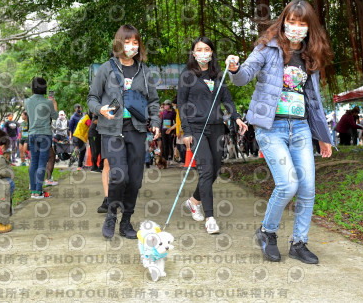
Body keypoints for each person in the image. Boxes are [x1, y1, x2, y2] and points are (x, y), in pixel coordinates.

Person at [226, 0, 333, 264]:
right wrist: (234, 68)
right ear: (284, 21)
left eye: (302, 23)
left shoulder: (310, 56)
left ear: (309, 27)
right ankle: (267, 232)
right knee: (288, 184)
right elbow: (244, 76)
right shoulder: (267, 47)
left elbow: (314, 100)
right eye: (291, 21)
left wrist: (323, 137)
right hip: (271, 128)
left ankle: (299, 243)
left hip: (300, 128)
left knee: (307, 188)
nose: (296, 27)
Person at [87, 24, 161, 239]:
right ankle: (111, 214)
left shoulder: (144, 71)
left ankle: (126, 221)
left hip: (137, 130)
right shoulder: (106, 69)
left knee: (135, 180)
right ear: (119, 43)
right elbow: (92, 98)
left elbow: (153, 101)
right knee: (119, 176)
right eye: (127, 42)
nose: (131, 46)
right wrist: (100, 109)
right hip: (111, 130)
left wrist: (156, 121)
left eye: (135, 42)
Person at [178, 36, 248, 234]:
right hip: (196, 128)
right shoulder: (187, 75)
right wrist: (186, 131)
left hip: (216, 127)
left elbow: (227, 99)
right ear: (193, 53)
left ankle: (193, 201)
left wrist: (236, 117)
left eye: (207, 49)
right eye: (199, 49)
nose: (203, 53)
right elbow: (181, 104)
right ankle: (210, 218)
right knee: (206, 169)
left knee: (215, 169)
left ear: (212, 52)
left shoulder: (218, 74)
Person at [24, 77, 58, 199]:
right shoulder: (48, 103)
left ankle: (33, 190)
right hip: (45, 135)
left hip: (32, 134)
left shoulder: (27, 101)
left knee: (34, 162)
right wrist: (54, 104)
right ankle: (39, 191)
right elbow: (55, 116)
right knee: (42, 163)